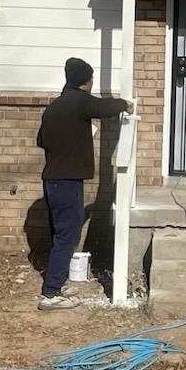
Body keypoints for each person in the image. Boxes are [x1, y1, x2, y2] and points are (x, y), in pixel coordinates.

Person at [35, 57, 134, 311]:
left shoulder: (54, 107)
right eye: (91, 80)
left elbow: (42, 141)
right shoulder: (79, 101)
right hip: (66, 181)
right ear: (86, 82)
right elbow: (104, 107)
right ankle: (51, 293)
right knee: (68, 235)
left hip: (52, 180)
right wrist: (126, 104)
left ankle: (56, 282)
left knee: (61, 232)